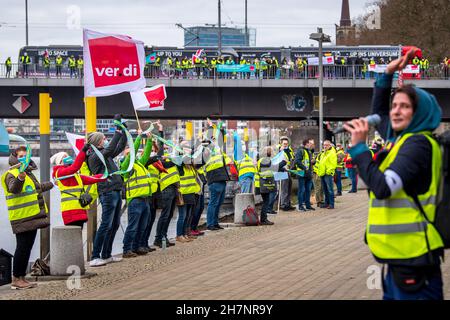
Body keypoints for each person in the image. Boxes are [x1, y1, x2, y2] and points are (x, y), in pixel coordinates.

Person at [344, 49, 445, 300]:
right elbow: (380, 110)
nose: (396, 111)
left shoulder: (418, 144)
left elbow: (383, 187)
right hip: (400, 261)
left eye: (405, 106)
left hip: (415, 262)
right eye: (395, 105)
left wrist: (359, 149)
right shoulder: (400, 139)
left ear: (419, 113)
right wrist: (387, 73)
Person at [1, 146, 54, 289]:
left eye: (26, 155)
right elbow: (14, 189)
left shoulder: (28, 173)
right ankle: (16, 279)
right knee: (22, 248)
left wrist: (52, 184)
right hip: (22, 217)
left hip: (32, 216)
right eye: (20, 156)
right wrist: (20, 178)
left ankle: (22, 278)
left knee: (27, 248)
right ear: (14, 158)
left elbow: (36, 188)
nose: (23, 158)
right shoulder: (11, 174)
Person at [86, 114, 127, 267]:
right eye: (103, 139)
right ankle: (95, 256)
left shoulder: (106, 154)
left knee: (115, 224)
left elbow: (119, 148)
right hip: (107, 191)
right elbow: (111, 149)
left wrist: (123, 131)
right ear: (97, 142)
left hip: (115, 190)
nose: (105, 140)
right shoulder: (94, 156)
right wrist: (117, 130)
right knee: (106, 224)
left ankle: (107, 254)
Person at [51, 147, 105, 228]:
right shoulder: (60, 172)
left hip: (80, 210)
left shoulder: (74, 175)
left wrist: (106, 175)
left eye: (67, 156)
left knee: (77, 234)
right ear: (60, 161)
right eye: (64, 157)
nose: (67, 158)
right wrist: (83, 151)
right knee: (73, 237)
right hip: (70, 211)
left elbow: (91, 179)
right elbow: (75, 167)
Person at [120, 131, 153, 258]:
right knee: (133, 226)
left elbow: (147, 153)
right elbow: (133, 151)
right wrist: (139, 137)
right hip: (135, 199)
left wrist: (149, 140)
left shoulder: (140, 164)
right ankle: (127, 249)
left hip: (144, 199)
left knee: (142, 226)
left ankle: (137, 247)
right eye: (130, 153)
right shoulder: (126, 166)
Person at [153, 123, 179, 248]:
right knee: (165, 215)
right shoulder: (160, 159)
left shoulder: (171, 158)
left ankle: (164, 237)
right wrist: (161, 132)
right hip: (166, 189)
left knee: (168, 215)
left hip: (173, 188)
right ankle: (159, 238)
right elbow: (160, 147)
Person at [204, 120, 231, 231]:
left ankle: (215, 223)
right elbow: (215, 138)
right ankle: (210, 224)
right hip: (214, 178)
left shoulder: (217, 149)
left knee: (218, 203)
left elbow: (219, 137)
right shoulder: (207, 148)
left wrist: (218, 126)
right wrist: (212, 126)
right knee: (213, 203)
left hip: (221, 178)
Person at [176, 141, 201, 243]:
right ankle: (179, 235)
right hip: (183, 193)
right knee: (182, 216)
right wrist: (184, 151)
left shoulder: (191, 167)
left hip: (191, 193)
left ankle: (186, 233)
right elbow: (183, 158)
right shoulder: (180, 164)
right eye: (186, 147)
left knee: (188, 215)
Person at [255, 146, 276, 224]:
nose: (272, 153)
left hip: (262, 183)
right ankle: (263, 220)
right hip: (263, 183)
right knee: (266, 201)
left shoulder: (263, 159)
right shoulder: (265, 160)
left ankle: (263, 219)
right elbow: (271, 169)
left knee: (265, 201)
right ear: (268, 152)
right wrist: (283, 163)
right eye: (271, 151)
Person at [294, 138, 315, 211]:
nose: (311, 144)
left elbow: (308, 162)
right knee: (301, 190)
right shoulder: (300, 151)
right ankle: (300, 206)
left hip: (308, 173)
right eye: (310, 143)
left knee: (308, 190)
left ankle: (308, 205)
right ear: (306, 143)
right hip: (301, 173)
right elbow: (297, 161)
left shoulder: (308, 151)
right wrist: (305, 169)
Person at [318, 140, 337, 209]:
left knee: (330, 190)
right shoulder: (323, 153)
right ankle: (326, 203)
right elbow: (321, 163)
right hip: (322, 173)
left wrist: (329, 171)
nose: (325, 146)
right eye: (324, 145)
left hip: (327, 174)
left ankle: (331, 204)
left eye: (326, 145)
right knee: (325, 189)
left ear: (330, 145)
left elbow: (333, 164)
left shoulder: (332, 153)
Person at [278, 137, 295, 211]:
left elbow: (291, 159)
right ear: (281, 144)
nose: (285, 145)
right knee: (284, 188)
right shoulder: (279, 151)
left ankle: (288, 203)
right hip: (282, 171)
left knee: (288, 188)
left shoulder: (289, 150)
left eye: (286, 143)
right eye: (284, 143)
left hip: (288, 170)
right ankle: (283, 205)